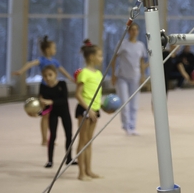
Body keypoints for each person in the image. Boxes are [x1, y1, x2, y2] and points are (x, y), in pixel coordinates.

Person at [12, 36, 73, 145]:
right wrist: (21, 71)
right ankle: (44, 139)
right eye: (54, 48)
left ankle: (51, 138)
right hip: (45, 89)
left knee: (52, 114)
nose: (55, 50)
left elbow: (62, 70)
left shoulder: (55, 61)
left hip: (54, 89)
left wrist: (71, 78)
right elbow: (29, 64)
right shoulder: (41, 60)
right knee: (45, 114)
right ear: (48, 50)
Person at [111, 23, 148, 135]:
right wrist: (113, 75)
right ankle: (126, 126)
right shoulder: (122, 44)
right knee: (124, 102)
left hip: (135, 77)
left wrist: (143, 75)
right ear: (128, 31)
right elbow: (114, 59)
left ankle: (132, 126)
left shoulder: (140, 45)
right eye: (132, 30)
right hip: (122, 77)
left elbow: (141, 62)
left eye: (136, 30)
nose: (134, 32)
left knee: (134, 104)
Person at [75, 40, 104, 181]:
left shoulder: (98, 73)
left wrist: (103, 107)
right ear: (91, 57)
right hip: (85, 109)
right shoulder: (84, 73)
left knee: (89, 141)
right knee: (83, 140)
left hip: (95, 110)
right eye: (99, 55)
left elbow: (96, 94)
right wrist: (89, 109)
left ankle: (89, 170)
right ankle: (81, 173)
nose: (102, 58)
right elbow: (78, 94)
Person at [38, 65, 74, 168]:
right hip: (53, 113)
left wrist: (51, 101)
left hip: (64, 111)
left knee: (68, 135)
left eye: (50, 75)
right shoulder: (43, 87)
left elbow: (64, 99)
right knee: (52, 136)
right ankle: (50, 161)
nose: (48, 78)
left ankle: (69, 158)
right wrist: (39, 110)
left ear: (55, 75)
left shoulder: (62, 84)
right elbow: (43, 105)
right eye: (45, 76)